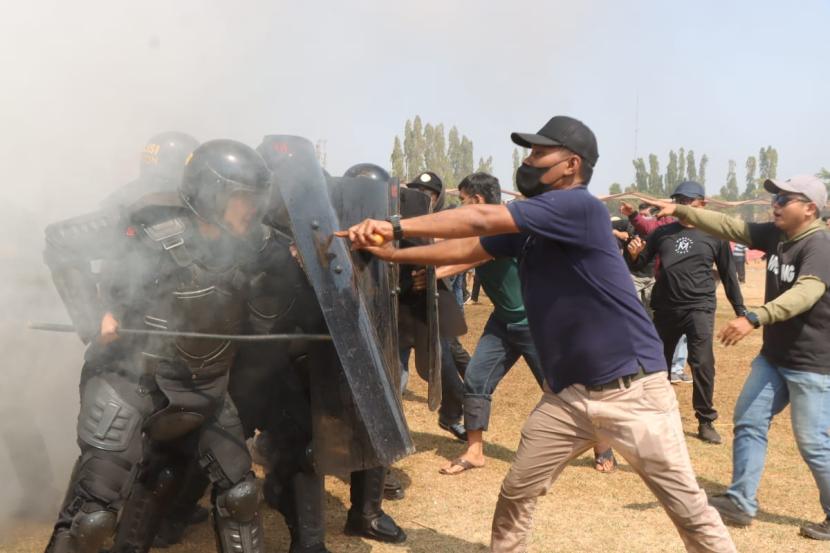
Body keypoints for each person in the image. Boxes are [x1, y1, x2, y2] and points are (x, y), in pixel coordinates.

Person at [339, 115, 736, 553]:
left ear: (570, 164)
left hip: (632, 391)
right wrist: (394, 254)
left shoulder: (578, 207)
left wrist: (395, 226)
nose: (528, 161)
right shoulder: (534, 224)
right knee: (516, 492)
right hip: (568, 396)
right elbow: (473, 246)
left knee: (689, 511)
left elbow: (478, 218)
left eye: (537, 153)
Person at [44, 139, 271, 553]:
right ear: (213, 194)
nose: (252, 208)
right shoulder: (142, 224)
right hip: (127, 377)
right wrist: (91, 315)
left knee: (241, 496)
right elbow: (60, 241)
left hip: (202, 387)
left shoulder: (251, 241)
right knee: (93, 517)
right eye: (243, 199)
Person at [645, 174, 830, 541]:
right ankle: (741, 502)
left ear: (809, 209)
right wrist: (681, 209)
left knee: (813, 443)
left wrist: (754, 316)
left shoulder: (819, 247)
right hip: (774, 358)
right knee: (748, 421)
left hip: (812, 363)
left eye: (784, 200)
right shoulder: (775, 234)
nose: (774, 205)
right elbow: (729, 225)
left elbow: (805, 294)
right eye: (774, 198)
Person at [426, 172, 545, 476]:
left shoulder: (506, 225)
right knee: (477, 380)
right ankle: (475, 451)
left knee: (560, 390)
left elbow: (476, 257)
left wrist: (437, 274)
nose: (459, 204)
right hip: (502, 323)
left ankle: (600, 443)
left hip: (534, 323)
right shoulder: (475, 227)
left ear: (477, 200)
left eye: (462, 199)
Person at [628, 180, 746, 444]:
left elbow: (729, 276)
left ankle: (705, 421)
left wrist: (741, 311)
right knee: (658, 365)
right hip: (666, 308)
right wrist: (633, 255)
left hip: (699, 308)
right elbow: (641, 263)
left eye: (687, 201)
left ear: (702, 204)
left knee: (702, 363)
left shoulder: (714, 234)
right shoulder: (662, 232)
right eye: (678, 201)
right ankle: (654, 417)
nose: (681, 205)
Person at [619, 199, 692, 384]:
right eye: (644, 213)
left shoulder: (669, 226)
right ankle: (635, 365)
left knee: (661, 325)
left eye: (651, 212)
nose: (648, 216)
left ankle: (672, 369)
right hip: (633, 277)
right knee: (633, 320)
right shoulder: (634, 225)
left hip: (654, 279)